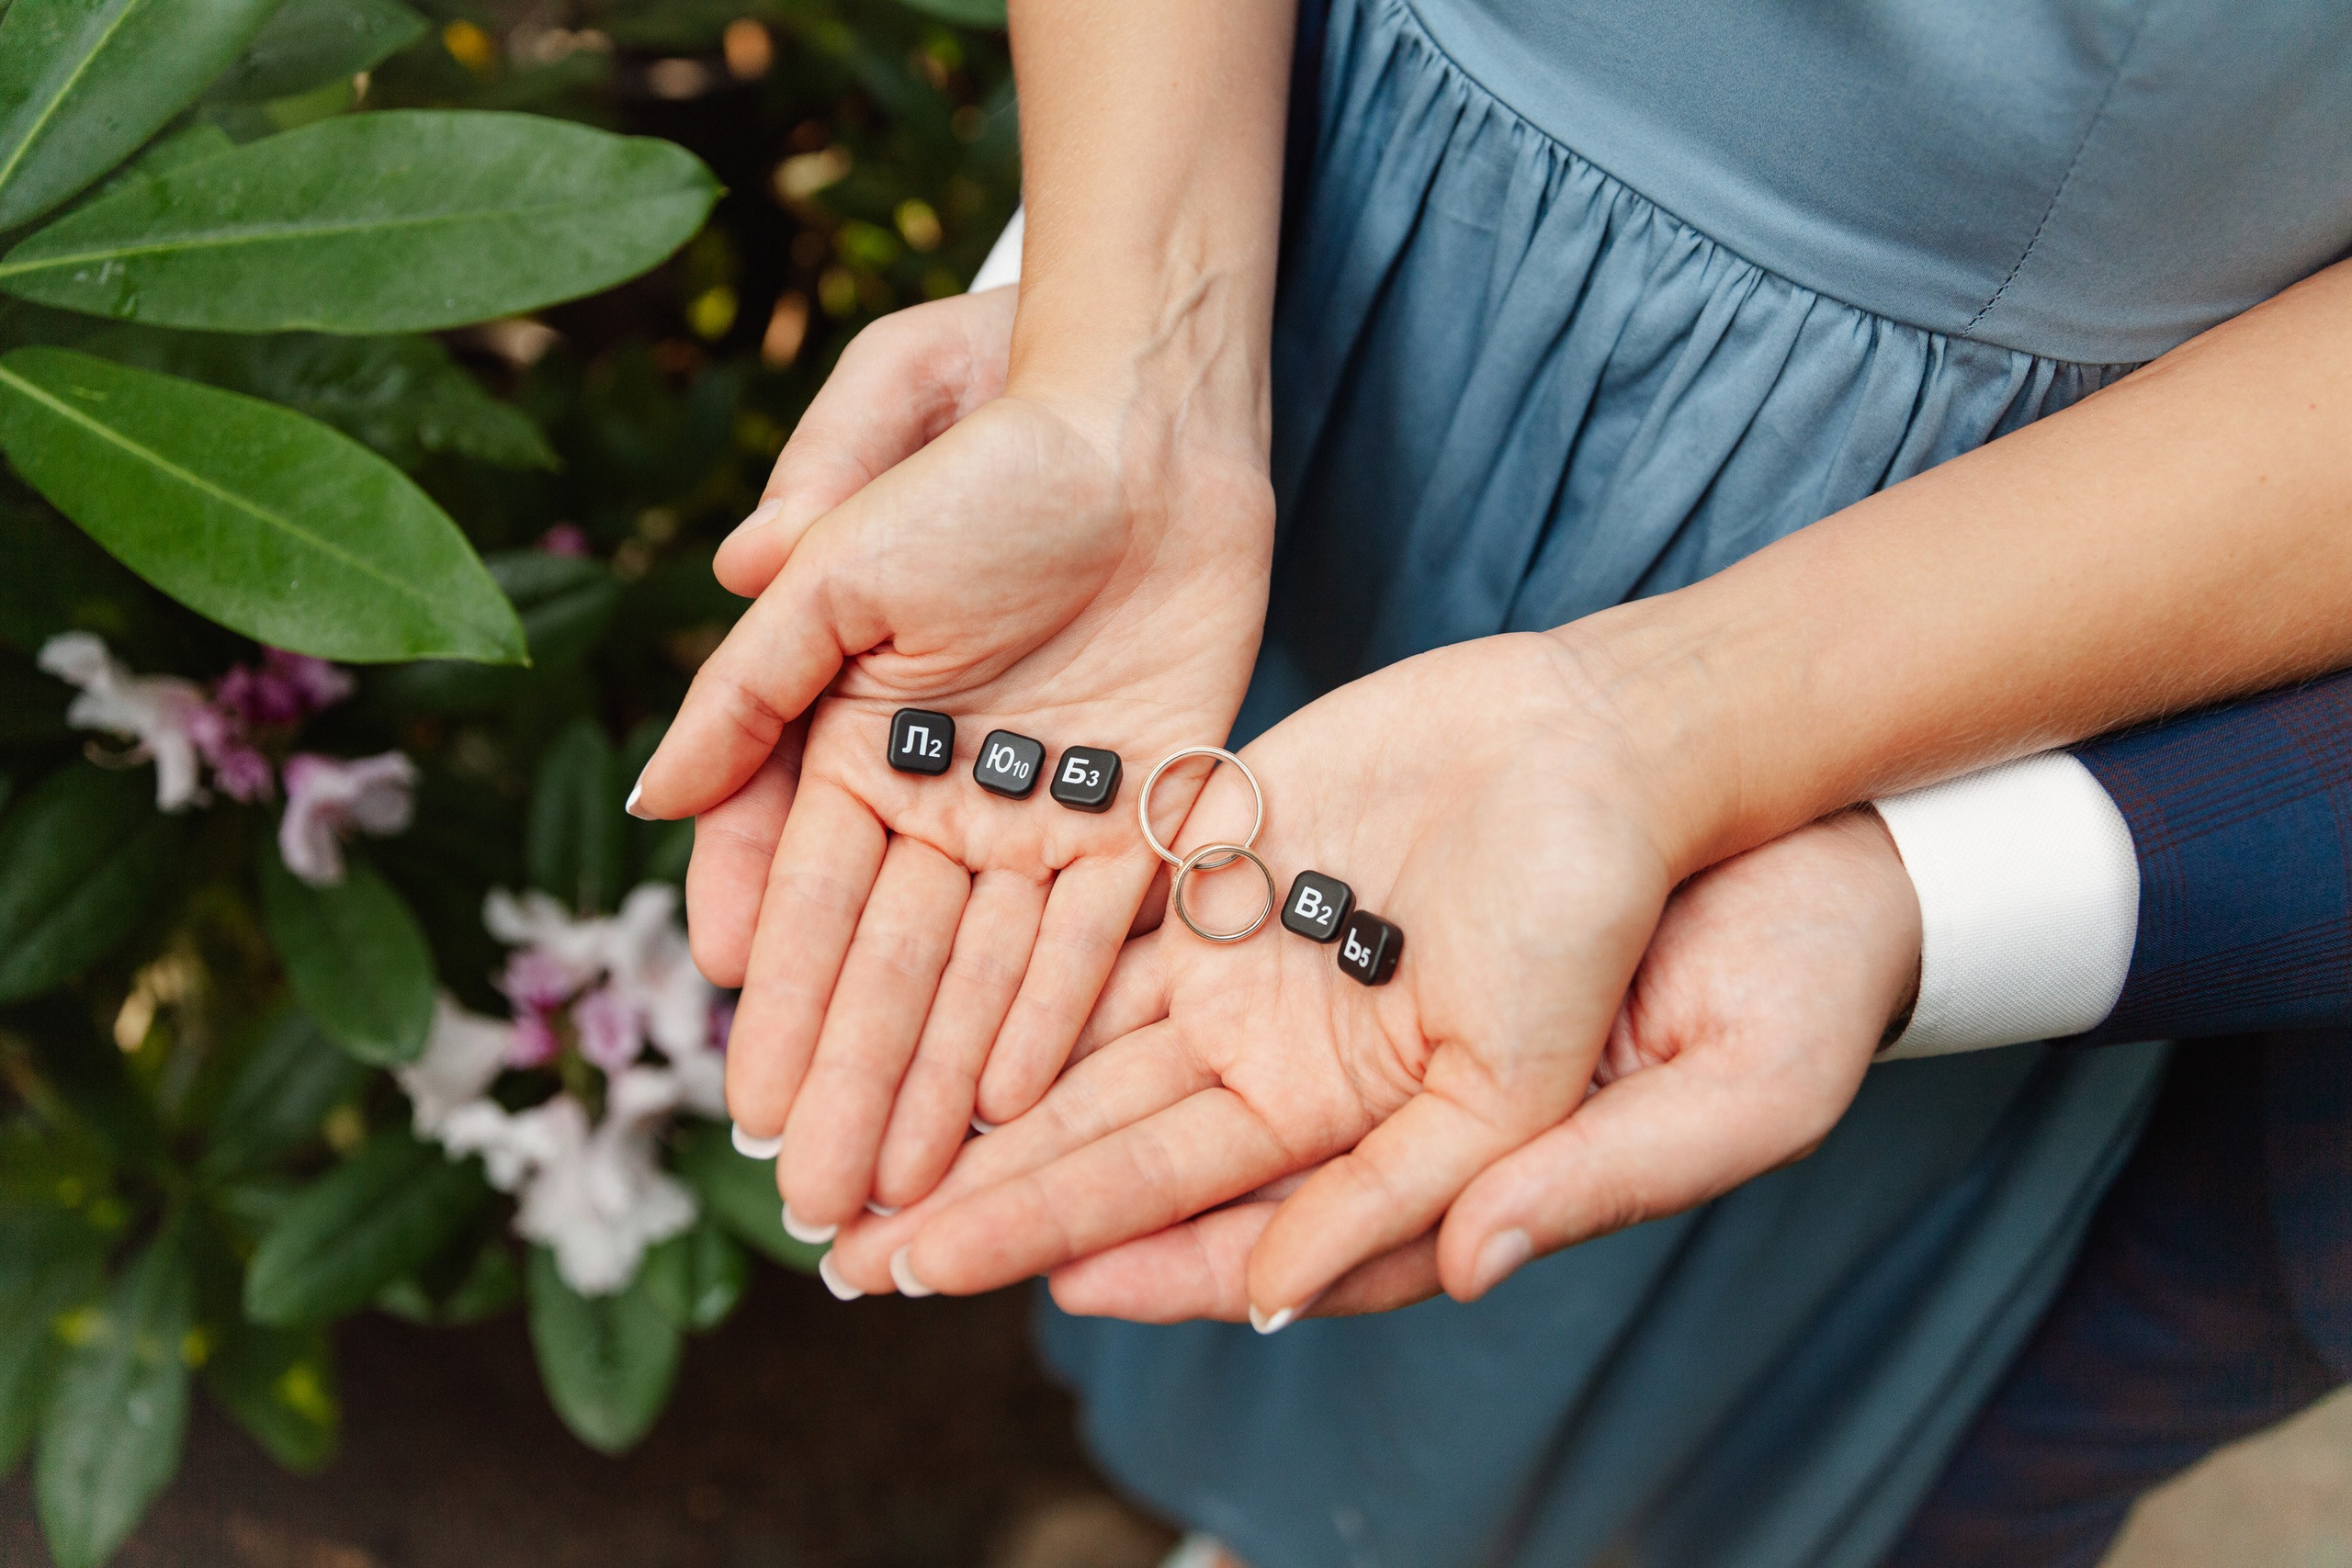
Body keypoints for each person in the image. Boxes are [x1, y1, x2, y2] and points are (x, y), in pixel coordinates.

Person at [632, 0, 2352, 1560]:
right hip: (1331, 239)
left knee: (1619, 1338)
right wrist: (1122, 344)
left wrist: (1679, 732)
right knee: (1202, 1084)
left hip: (2042, 551)